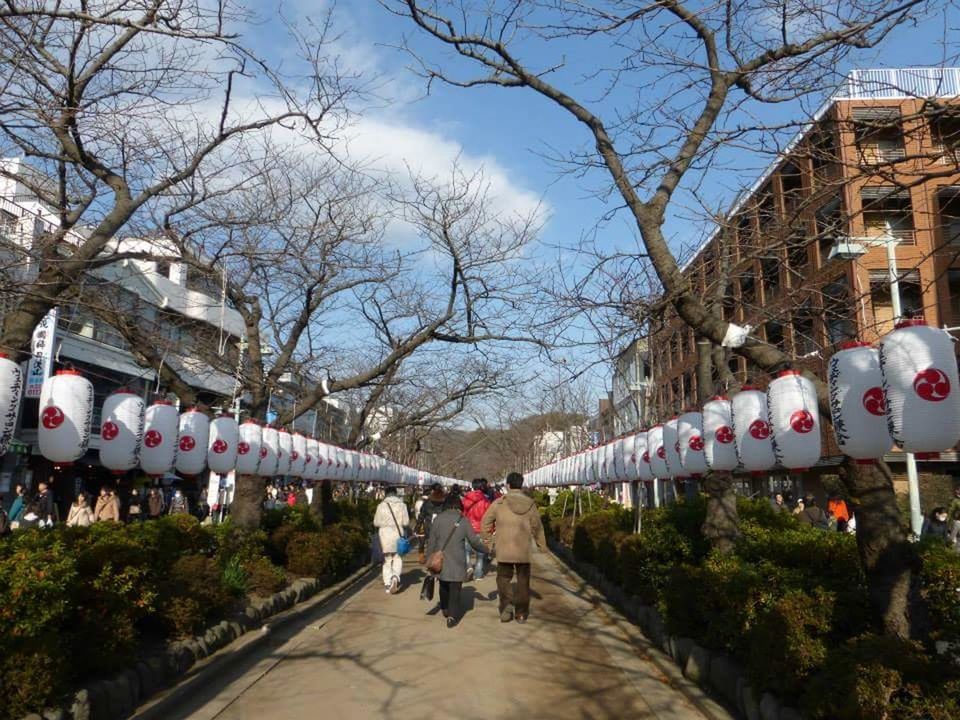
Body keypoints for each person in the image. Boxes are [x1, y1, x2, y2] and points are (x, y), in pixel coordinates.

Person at [481, 471, 547, 624]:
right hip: (523, 550)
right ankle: (522, 614)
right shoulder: (530, 504)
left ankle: (506, 607)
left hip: (504, 549)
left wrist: (489, 541)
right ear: (521, 485)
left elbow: (485, 523)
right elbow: (537, 526)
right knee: (523, 582)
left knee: (503, 579)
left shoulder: (499, 503)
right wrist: (542, 545)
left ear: (508, 485)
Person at [425, 493, 490, 628]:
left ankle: (444, 608)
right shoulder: (463, 520)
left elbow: (431, 540)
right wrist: (486, 550)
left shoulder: (438, 519)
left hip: (440, 559)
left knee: (443, 584)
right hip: (457, 559)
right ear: (459, 506)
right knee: (455, 587)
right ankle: (452, 616)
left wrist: (429, 558)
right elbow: (473, 541)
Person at [373, 486, 410, 594]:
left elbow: (376, 522)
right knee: (397, 557)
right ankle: (395, 577)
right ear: (395, 493)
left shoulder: (381, 506)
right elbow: (406, 522)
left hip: (384, 535)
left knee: (387, 559)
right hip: (398, 534)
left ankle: (388, 583)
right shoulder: (402, 505)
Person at [462, 478, 493, 580]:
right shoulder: (486, 501)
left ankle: (468, 567)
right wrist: (491, 529)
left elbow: (462, 513)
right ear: (482, 487)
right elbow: (489, 517)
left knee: (466, 551)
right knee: (480, 554)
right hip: (481, 528)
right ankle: (478, 574)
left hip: (467, 528)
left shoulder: (465, 499)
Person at [416, 484, 446, 563]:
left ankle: (432, 563)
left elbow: (421, 515)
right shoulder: (445, 501)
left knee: (430, 544)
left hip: (429, 527)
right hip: (442, 527)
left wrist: (418, 526)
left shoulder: (427, 502)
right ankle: (439, 562)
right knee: (440, 545)